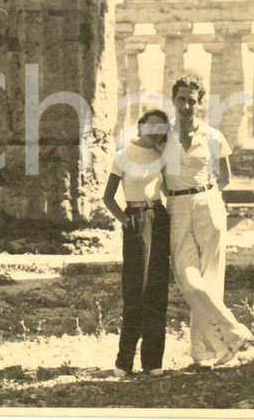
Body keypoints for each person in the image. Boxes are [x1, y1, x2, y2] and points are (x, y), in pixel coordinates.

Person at [163, 74, 254, 367]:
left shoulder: (214, 136)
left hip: (208, 203)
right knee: (187, 276)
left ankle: (204, 352)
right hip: (176, 205)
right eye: (181, 99)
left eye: (192, 100)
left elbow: (225, 177)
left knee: (211, 276)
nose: (186, 106)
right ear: (173, 100)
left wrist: (205, 197)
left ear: (200, 104)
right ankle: (232, 330)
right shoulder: (162, 137)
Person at [103, 109, 172, 378]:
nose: (155, 132)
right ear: (140, 127)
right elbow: (108, 197)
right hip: (134, 220)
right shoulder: (122, 156)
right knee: (134, 289)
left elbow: (168, 191)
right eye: (151, 126)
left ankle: (153, 361)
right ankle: (124, 361)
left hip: (159, 219)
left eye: (160, 128)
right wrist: (125, 220)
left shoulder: (162, 157)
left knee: (156, 289)